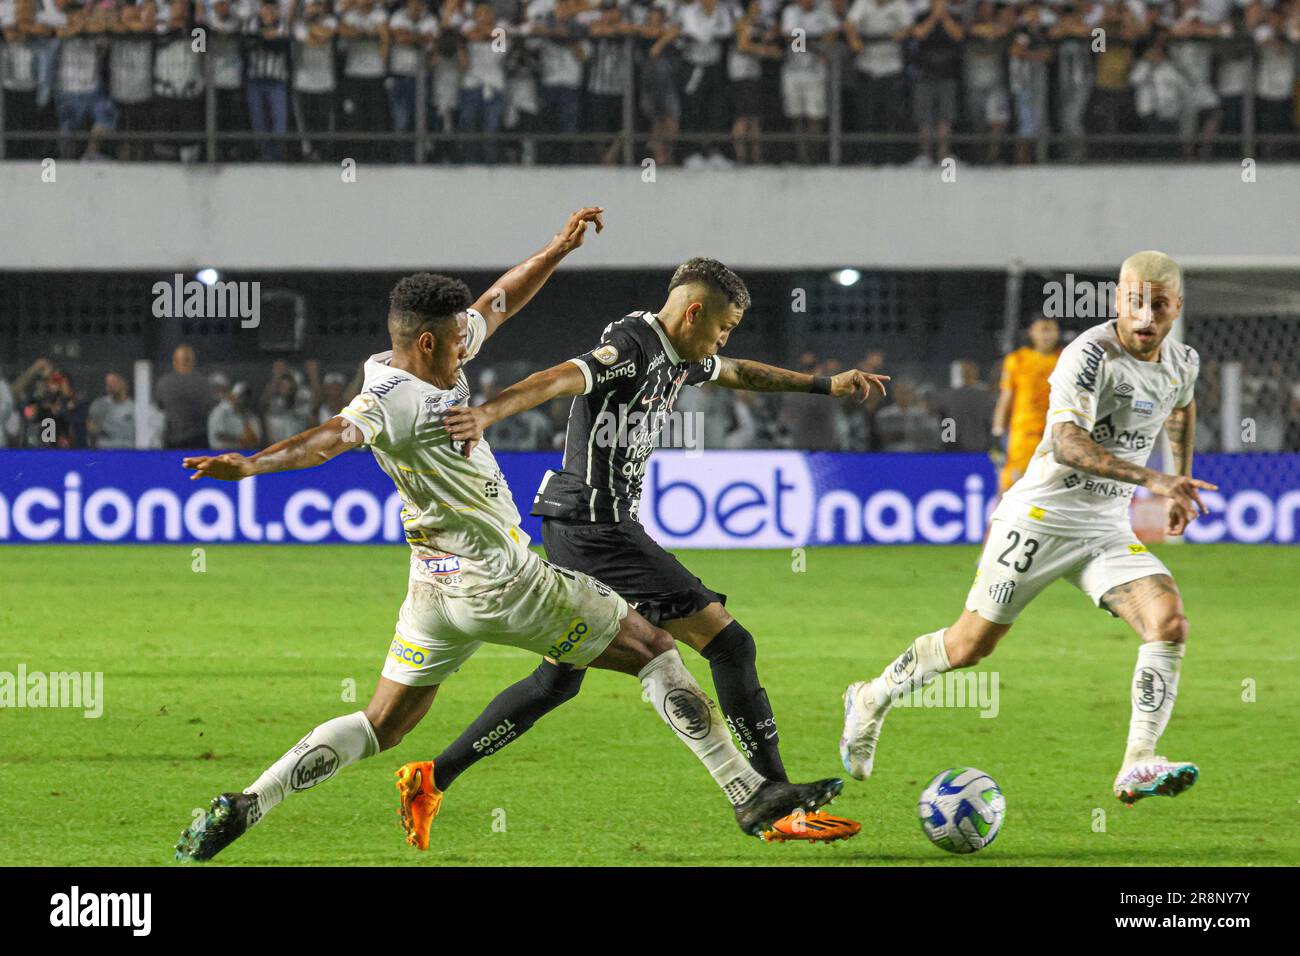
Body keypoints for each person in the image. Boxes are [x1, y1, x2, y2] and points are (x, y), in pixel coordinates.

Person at [173, 209, 846, 862]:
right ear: (428, 343)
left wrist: (556, 250)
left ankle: (249, 802)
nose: (472, 341)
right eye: (458, 339)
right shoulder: (388, 399)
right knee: (653, 646)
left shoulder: (436, 351)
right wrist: (256, 463)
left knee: (384, 723)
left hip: (430, 593)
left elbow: (498, 301)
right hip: (499, 578)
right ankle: (748, 794)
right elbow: (332, 439)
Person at [439, 256, 890, 843]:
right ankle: (775, 798)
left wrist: (824, 384)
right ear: (694, 310)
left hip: (583, 528)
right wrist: (486, 414)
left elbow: (736, 372)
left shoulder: (681, 353)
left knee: (558, 679)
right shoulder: (632, 346)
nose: (725, 339)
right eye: (723, 325)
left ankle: (431, 776)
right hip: (597, 530)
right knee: (729, 643)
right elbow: (561, 378)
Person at [841, 251, 1213, 806]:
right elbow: (1067, 443)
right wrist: (1156, 480)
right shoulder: (1089, 355)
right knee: (969, 647)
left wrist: (1182, 478)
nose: (1145, 317)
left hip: (1105, 531)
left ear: (1176, 307)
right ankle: (871, 698)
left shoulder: (1183, 361)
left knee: (1169, 622)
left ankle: (1138, 761)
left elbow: (1181, 408)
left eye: (1158, 305)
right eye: (1134, 302)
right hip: (1039, 520)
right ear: (1118, 301)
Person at [992, 316, 1060, 492]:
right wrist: (998, 431)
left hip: (1055, 434)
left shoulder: (1064, 359)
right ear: (1032, 333)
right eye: (1042, 329)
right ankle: (1000, 519)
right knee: (1010, 487)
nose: (1047, 335)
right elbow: (1006, 397)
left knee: (1050, 488)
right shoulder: (1018, 359)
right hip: (1023, 434)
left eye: (1051, 329)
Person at [154, 344, 214, 448]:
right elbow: (209, 407)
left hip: (172, 440)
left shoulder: (163, 383)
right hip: (198, 440)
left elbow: (159, 406)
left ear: (175, 361)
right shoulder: (204, 383)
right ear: (193, 361)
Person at [87, 371, 135, 448]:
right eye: (108, 383)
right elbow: (91, 429)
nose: (110, 386)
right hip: (105, 452)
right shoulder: (99, 404)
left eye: (113, 382)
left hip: (128, 452)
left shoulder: (135, 407)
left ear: (123, 383)